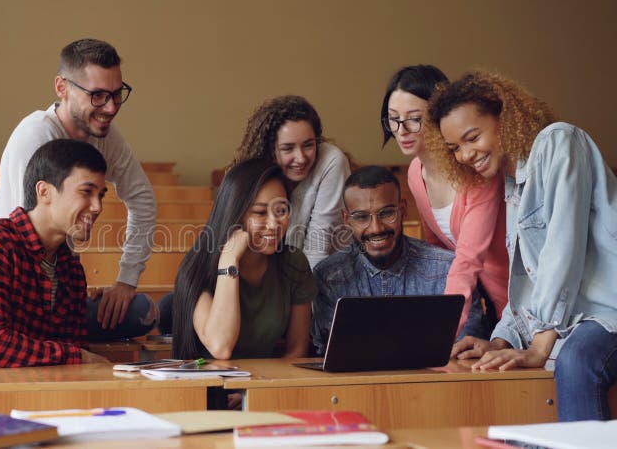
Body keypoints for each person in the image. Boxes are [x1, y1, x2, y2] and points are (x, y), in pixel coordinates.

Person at [427, 71, 617, 421]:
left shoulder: (559, 142)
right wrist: (501, 341)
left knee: (576, 358)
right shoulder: (511, 183)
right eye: (455, 148)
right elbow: (529, 283)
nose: (466, 155)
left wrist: (539, 347)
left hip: (608, 315)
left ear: (505, 118)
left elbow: (564, 250)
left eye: (472, 137)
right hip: (570, 323)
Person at [0, 139, 153, 368]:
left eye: (100, 195)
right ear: (44, 192)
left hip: (40, 392)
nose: (97, 207)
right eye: (86, 192)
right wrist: (79, 356)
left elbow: (70, 348)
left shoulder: (71, 269)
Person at [0, 38, 156, 330]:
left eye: (117, 94)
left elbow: (142, 198)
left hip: (62, 279)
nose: (110, 107)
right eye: (97, 95)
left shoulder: (103, 131)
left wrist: (126, 280)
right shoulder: (35, 137)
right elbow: (31, 236)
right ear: (62, 88)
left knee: (143, 311)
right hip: (23, 293)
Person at [381, 65, 506, 338]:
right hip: (487, 309)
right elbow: (438, 255)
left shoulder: (477, 173)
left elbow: (467, 261)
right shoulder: (415, 173)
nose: (401, 130)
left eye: (414, 119)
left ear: (439, 117)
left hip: (520, 300)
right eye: (393, 119)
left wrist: (440, 334)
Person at [311, 166, 487, 354]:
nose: (376, 228)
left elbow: (467, 351)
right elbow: (330, 355)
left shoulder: (448, 269)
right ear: (346, 219)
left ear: (403, 210)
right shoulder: (328, 276)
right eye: (361, 217)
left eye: (386, 213)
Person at [172, 159, 316, 361]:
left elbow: (297, 351)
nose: (275, 224)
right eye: (260, 212)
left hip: (265, 386)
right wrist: (229, 261)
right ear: (235, 213)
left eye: (281, 211)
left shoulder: (293, 262)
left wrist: (263, 389)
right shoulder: (197, 269)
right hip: (211, 388)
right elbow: (221, 347)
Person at [232, 95, 351, 268]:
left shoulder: (331, 161)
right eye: (288, 148)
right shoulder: (256, 174)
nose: (301, 158)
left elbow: (318, 248)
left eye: (308, 145)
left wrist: (296, 293)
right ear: (270, 150)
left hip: (323, 278)